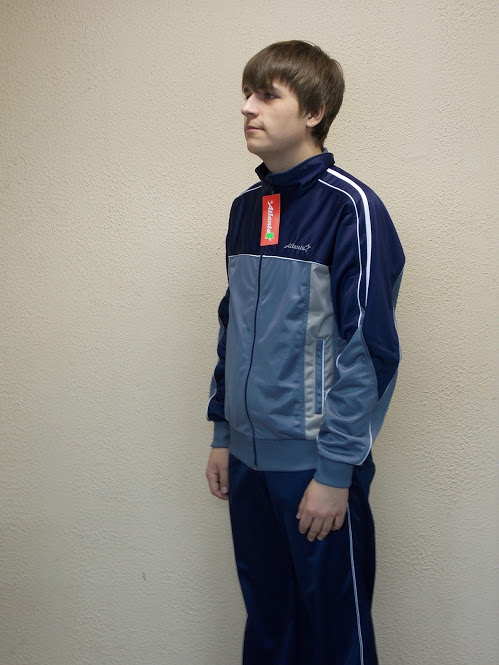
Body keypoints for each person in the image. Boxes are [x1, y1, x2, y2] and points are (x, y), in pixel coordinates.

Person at [206, 40, 404, 665]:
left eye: (268, 95)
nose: (247, 108)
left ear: (314, 111)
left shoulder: (352, 209)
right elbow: (233, 325)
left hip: (315, 468)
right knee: (269, 627)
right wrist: (223, 432)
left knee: (334, 637)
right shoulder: (248, 209)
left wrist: (335, 471)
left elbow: (369, 351)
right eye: (247, 94)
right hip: (247, 461)